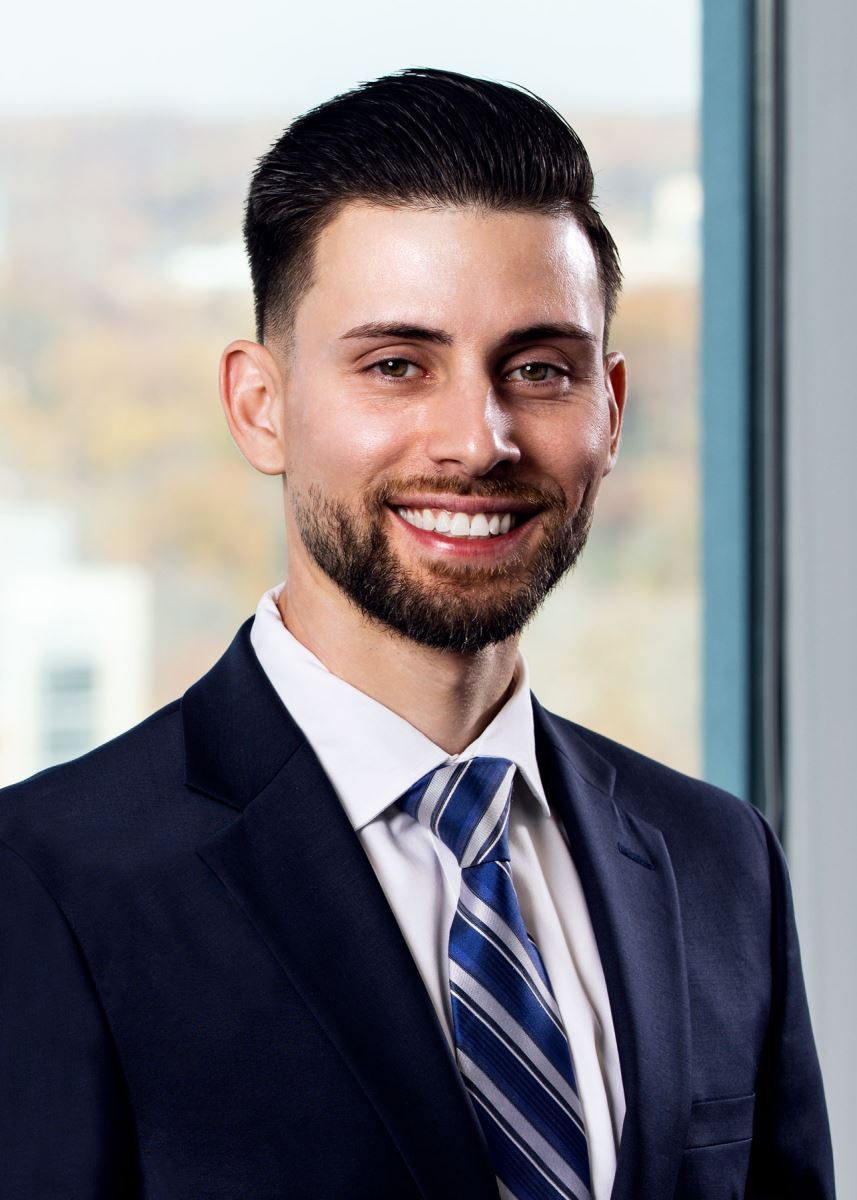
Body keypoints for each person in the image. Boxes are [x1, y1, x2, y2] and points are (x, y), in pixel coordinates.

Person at [0, 67, 833, 1200]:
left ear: (609, 409)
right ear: (259, 406)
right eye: (397, 365)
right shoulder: (48, 885)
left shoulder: (717, 863)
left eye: (537, 370)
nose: (477, 440)